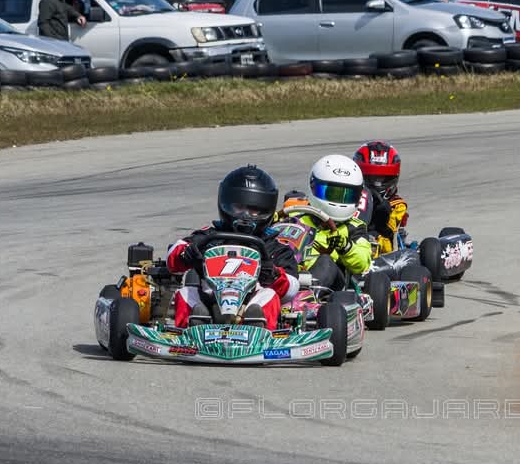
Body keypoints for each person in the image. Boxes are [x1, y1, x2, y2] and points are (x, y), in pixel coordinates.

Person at [165, 165, 300, 330]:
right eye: (239, 208)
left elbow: (292, 288)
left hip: (249, 303)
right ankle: (193, 327)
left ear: (267, 211)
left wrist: (273, 274)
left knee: (269, 295)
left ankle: (256, 327)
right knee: (187, 292)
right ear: (225, 204)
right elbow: (173, 256)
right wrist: (186, 254)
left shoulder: (274, 246)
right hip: (210, 300)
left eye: (254, 210)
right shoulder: (210, 236)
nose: (245, 215)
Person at [284, 155, 372, 291]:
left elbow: (362, 262)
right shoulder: (295, 217)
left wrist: (345, 246)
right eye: (331, 193)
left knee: (325, 261)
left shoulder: (354, 227)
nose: (338, 201)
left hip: (330, 288)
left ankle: (306, 296)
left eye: (346, 195)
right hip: (289, 272)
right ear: (313, 186)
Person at [352, 141, 408, 254]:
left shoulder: (397, 205)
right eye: (371, 178)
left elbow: (388, 244)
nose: (377, 184)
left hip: (381, 253)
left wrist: (381, 222)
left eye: (382, 178)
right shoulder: (349, 197)